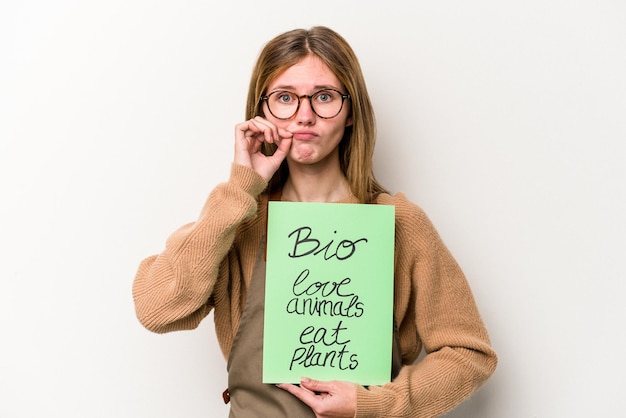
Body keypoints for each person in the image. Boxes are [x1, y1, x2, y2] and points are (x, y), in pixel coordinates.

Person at [132, 26, 497, 418]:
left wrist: (374, 404)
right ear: (262, 110)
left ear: (352, 110)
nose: (304, 116)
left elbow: (469, 353)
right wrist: (242, 187)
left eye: (323, 97)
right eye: (285, 98)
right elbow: (158, 308)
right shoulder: (238, 218)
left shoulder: (400, 224)